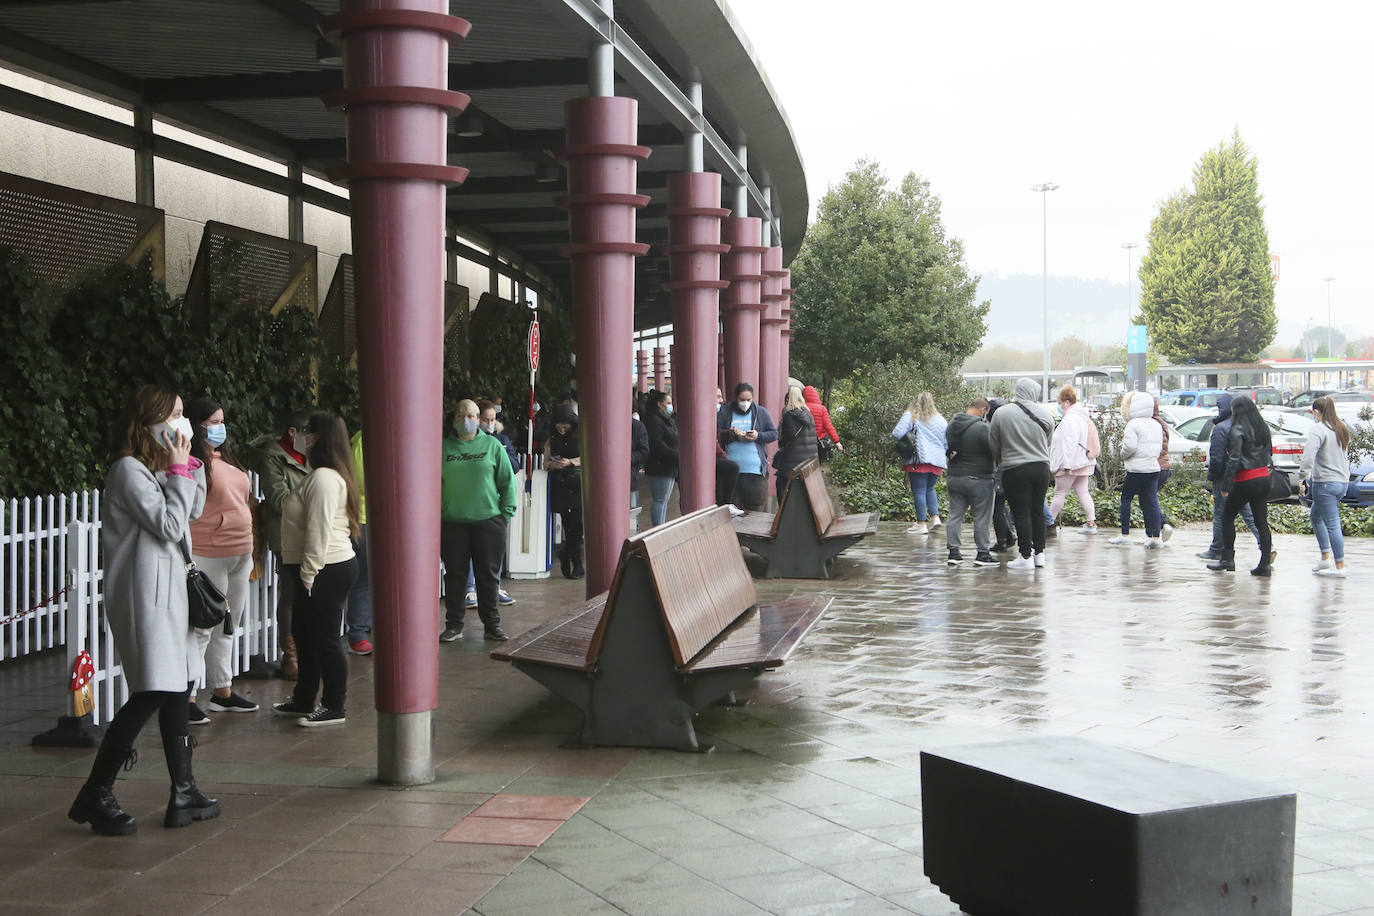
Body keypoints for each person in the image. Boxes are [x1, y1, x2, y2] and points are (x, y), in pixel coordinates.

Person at [68, 385, 219, 836]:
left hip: (168, 595)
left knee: (174, 689)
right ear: (151, 421)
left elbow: (191, 508)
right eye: (173, 415)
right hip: (146, 599)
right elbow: (170, 524)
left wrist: (190, 467)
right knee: (155, 690)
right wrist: (177, 470)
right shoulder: (128, 471)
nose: (180, 423)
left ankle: (184, 791)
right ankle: (97, 793)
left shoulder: (154, 469)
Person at [273, 412, 360, 727]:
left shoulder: (324, 478)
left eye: (308, 432)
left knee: (324, 639)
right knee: (305, 635)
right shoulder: (320, 474)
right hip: (315, 567)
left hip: (326, 568)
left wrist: (309, 574)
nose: (302, 436)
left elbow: (318, 531)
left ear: (319, 438)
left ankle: (334, 705)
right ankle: (303, 699)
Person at [186, 398, 258, 720]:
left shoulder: (227, 459)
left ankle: (222, 689)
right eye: (213, 422)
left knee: (229, 623)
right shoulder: (190, 463)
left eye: (221, 421)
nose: (219, 428)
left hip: (240, 551)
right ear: (196, 425)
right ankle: (186, 697)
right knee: (202, 626)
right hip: (208, 553)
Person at [439, 399, 518, 641]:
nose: (467, 420)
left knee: (488, 575)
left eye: (472, 416)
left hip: (488, 522)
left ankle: (492, 625)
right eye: (462, 415)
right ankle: (454, 625)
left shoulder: (492, 446)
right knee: (455, 576)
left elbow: (507, 481)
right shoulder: (442, 448)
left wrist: (504, 514)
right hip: (452, 522)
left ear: (479, 419)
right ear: (454, 419)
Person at [245, 408, 311, 679]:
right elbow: (278, 498)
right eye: (308, 432)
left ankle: (308, 649)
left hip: (315, 534)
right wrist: (316, 504)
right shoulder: (273, 458)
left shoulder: (313, 455)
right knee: (292, 594)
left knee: (312, 595)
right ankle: (291, 655)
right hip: (287, 535)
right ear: (293, 432)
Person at [988, 378, 1053, 570]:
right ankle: (1040, 554)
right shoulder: (1046, 414)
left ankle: (1025, 556)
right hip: (1041, 467)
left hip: (1014, 468)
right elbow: (1048, 441)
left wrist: (1003, 458)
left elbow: (993, 442)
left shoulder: (1002, 413)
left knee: (1021, 511)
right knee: (1037, 510)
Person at [1209, 395, 1275, 576]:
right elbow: (1269, 452)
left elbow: (1234, 459)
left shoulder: (1238, 429)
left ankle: (1227, 559)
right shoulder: (1262, 428)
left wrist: (1226, 485)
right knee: (1261, 522)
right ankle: (1265, 564)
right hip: (1263, 478)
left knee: (1227, 517)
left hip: (1245, 479)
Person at [460, 401, 519, 609]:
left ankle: (494, 588)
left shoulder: (500, 441)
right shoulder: (463, 443)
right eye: (486, 419)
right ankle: (470, 589)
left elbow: (514, 468)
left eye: (493, 420)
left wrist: (506, 512)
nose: (490, 423)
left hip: (493, 508)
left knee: (492, 551)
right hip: (469, 506)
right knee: (469, 549)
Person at [1198, 393, 1261, 561]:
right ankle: (1266, 545)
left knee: (1220, 514)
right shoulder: (1248, 426)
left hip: (1226, 479)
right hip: (1245, 477)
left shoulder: (1220, 428)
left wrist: (1213, 479)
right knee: (1248, 514)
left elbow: (1217, 458)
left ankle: (1217, 549)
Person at [1300, 396, 1351, 578]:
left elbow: (1307, 457)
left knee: (1332, 524)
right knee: (1315, 516)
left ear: (1316, 412)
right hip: (1341, 483)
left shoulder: (1318, 429)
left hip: (1325, 483)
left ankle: (1339, 566)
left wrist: (1302, 477)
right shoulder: (1340, 428)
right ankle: (1325, 558)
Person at [944, 397, 996, 567]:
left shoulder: (952, 425)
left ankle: (954, 552)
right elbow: (994, 451)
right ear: (984, 410)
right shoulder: (982, 428)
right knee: (981, 516)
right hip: (979, 478)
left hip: (955, 477)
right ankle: (982, 554)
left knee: (955, 515)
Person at [1111, 392, 1165, 549]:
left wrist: (1122, 455)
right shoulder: (1156, 424)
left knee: (1126, 499)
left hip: (1135, 469)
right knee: (1151, 501)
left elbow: (1129, 447)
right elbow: (1160, 447)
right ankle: (1155, 537)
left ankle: (1125, 534)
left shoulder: (1133, 425)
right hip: (1153, 468)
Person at [892, 392, 948, 534]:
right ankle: (935, 518)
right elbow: (947, 442)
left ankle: (921, 523)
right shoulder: (940, 420)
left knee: (919, 491)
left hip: (919, 459)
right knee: (930, 488)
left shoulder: (912, 415)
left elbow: (897, 433)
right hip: (937, 461)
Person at [717, 382, 778, 511]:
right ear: (736, 397)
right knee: (730, 510)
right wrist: (731, 433)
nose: (745, 403)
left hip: (755, 471)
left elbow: (774, 434)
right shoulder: (725, 411)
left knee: (755, 511)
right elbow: (715, 433)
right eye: (742, 399)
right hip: (731, 470)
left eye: (748, 400)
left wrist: (758, 435)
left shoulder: (761, 412)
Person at [1048, 385, 1100, 533]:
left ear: (1066, 402)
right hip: (1084, 462)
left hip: (1070, 464)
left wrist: (1066, 464)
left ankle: (1049, 522)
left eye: (1060, 403)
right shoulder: (1083, 417)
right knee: (1083, 492)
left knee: (1059, 493)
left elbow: (1068, 443)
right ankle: (1091, 523)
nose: (1060, 406)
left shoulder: (1070, 419)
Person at [547, 403, 584, 578]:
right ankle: (576, 563)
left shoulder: (581, 436)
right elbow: (546, 460)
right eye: (558, 424)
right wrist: (552, 464)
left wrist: (570, 462)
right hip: (561, 486)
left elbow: (587, 456)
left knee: (578, 525)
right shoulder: (552, 439)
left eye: (565, 424)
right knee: (570, 526)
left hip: (577, 485)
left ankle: (568, 554)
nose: (562, 428)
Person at [344, 428, 372, 656]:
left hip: (377, 518)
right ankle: (358, 633)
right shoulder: (365, 439)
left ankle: (363, 629)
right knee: (364, 579)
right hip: (365, 518)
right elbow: (363, 481)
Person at [773, 385, 819, 501]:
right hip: (809, 462)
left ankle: (783, 516)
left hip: (792, 464)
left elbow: (787, 438)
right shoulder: (808, 415)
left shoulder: (790, 416)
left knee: (781, 486)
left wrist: (781, 442)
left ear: (788, 400)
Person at [642, 389, 680, 527]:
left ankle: (660, 527)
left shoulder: (664, 420)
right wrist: (676, 456)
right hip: (659, 466)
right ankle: (658, 528)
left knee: (663, 500)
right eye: (668, 403)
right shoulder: (654, 420)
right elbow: (656, 443)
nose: (671, 406)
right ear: (659, 404)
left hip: (668, 466)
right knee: (660, 499)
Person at [802, 385, 843, 457]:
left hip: (804, 442)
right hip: (818, 442)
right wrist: (837, 441)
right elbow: (828, 426)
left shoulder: (802, 408)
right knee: (817, 463)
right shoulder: (822, 409)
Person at [630, 390, 649, 511]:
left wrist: (628, 459)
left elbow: (644, 450)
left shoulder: (637, 426)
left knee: (632, 513)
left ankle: (632, 530)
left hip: (631, 477)